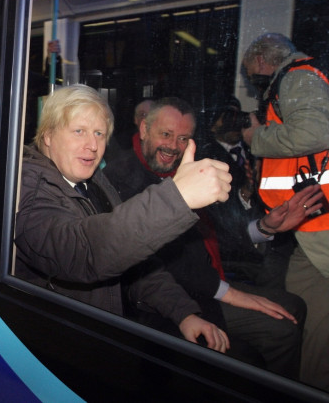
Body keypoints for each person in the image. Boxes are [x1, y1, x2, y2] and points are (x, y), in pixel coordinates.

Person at [14, 85, 236, 353]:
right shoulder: (27, 185)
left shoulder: (94, 181)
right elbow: (83, 251)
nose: (93, 146)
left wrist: (184, 313)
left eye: (99, 133)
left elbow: (135, 263)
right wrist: (178, 198)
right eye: (79, 131)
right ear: (48, 135)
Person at [105, 97, 311, 378]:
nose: (172, 146)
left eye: (183, 138)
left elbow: (214, 233)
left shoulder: (187, 170)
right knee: (282, 331)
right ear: (143, 130)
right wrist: (231, 294)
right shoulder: (121, 178)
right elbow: (158, 266)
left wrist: (265, 227)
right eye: (165, 134)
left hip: (210, 278)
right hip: (174, 299)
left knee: (296, 305)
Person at [241, 32, 329, 390]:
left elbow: (315, 132)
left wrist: (256, 138)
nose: (255, 83)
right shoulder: (308, 79)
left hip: (316, 223)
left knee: (311, 319)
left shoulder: (296, 78)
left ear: (263, 61)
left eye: (253, 75)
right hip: (307, 218)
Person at [197, 97, 298, 289]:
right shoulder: (207, 156)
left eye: (238, 116)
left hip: (273, 225)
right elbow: (220, 214)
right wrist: (245, 193)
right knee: (276, 268)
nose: (234, 122)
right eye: (227, 117)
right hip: (238, 240)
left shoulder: (257, 149)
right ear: (212, 125)